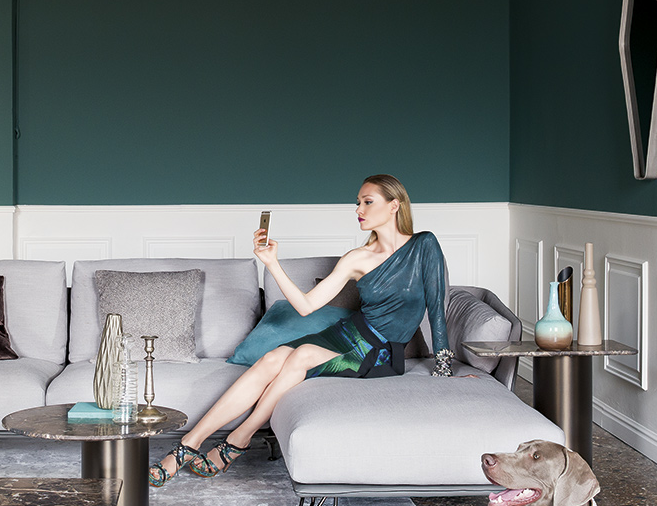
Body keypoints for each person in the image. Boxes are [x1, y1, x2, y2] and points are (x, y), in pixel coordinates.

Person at [148, 174, 456, 486]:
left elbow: (436, 306)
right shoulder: (356, 258)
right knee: (272, 358)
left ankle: (239, 438)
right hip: (345, 334)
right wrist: (272, 263)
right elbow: (307, 306)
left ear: (394, 205)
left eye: (367, 202)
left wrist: (444, 367)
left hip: (380, 353)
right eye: (357, 203)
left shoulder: (424, 245)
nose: (358, 209)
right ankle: (189, 444)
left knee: (302, 354)